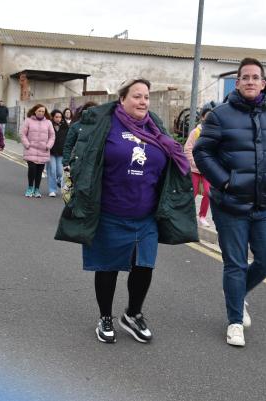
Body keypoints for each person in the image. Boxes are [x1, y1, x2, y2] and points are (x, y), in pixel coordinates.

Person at [55, 78, 198, 344]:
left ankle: (132, 314)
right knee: (107, 267)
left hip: (145, 215)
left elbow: (169, 160)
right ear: (122, 99)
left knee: (144, 267)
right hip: (110, 212)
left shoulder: (155, 127)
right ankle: (105, 317)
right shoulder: (107, 125)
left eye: (146, 97)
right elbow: (85, 157)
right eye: (137, 96)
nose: (143, 101)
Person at [193, 57, 266, 347]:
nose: (249, 81)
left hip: (265, 204)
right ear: (238, 82)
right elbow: (202, 152)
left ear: (263, 83)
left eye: (255, 77)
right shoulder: (220, 116)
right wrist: (225, 182)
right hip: (230, 205)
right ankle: (235, 322)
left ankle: (236, 294)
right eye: (244, 77)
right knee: (234, 264)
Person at [183, 102, 216, 227]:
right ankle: (187, 215)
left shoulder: (215, 132)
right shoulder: (196, 132)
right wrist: (193, 162)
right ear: (202, 117)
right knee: (193, 193)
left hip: (207, 170)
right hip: (194, 170)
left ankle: (202, 216)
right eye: (207, 116)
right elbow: (187, 148)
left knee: (209, 193)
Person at [19, 104, 55, 198]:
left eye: (43, 111)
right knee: (32, 169)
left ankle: (37, 189)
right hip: (31, 149)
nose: (41, 113)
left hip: (43, 150)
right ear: (35, 111)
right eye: (39, 111)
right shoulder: (28, 121)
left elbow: (52, 136)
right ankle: (30, 188)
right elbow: (22, 134)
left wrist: (48, 146)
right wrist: (27, 144)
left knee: (39, 171)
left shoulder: (48, 122)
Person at [61, 101, 97, 169]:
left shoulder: (100, 126)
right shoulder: (76, 126)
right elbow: (68, 145)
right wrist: (66, 162)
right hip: (78, 162)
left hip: (95, 163)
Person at [46, 109, 68, 197]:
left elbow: (68, 139)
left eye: (60, 117)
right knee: (52, 171)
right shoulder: (49, 125)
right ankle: (52, 190)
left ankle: (59, 181)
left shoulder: (65, 127)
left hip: (61, 152)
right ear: (53, 117)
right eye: (56, 117)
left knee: (59, 172)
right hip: (50, 152)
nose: (58, 119)